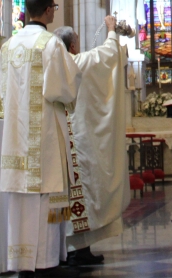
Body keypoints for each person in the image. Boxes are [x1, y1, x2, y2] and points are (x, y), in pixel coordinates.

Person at [0, 0, 81, 277]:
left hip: (15, 137)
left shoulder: (8, 46)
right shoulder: (51, 44)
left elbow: (2, 90)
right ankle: (47, 262)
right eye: (53, 7)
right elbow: (62, 88)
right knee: (50, 194)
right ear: (47, 10)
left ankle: (21, 262)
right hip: (45, 134)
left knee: (21, 199)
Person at [54, 16, 130, 267]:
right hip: (79, 142)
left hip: (64, 140)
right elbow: (108, 54)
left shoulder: (56, 67)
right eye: (77, 41)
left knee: (74, 197)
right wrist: (111, 29)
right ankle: (74, 251)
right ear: (72, 46)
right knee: (81, 194)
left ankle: (79, 248)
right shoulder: (77, 62)